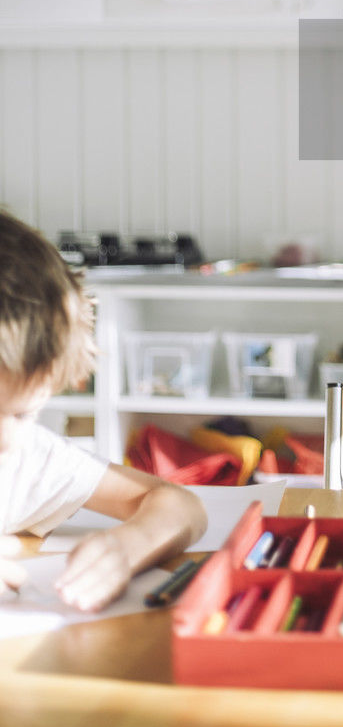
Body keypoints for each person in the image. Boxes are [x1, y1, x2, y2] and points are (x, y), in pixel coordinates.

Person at [0, 209, 206, 610]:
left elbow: (181, 506)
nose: (3, 440)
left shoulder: (25, 460)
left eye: (22, 414)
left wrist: (127, 548)